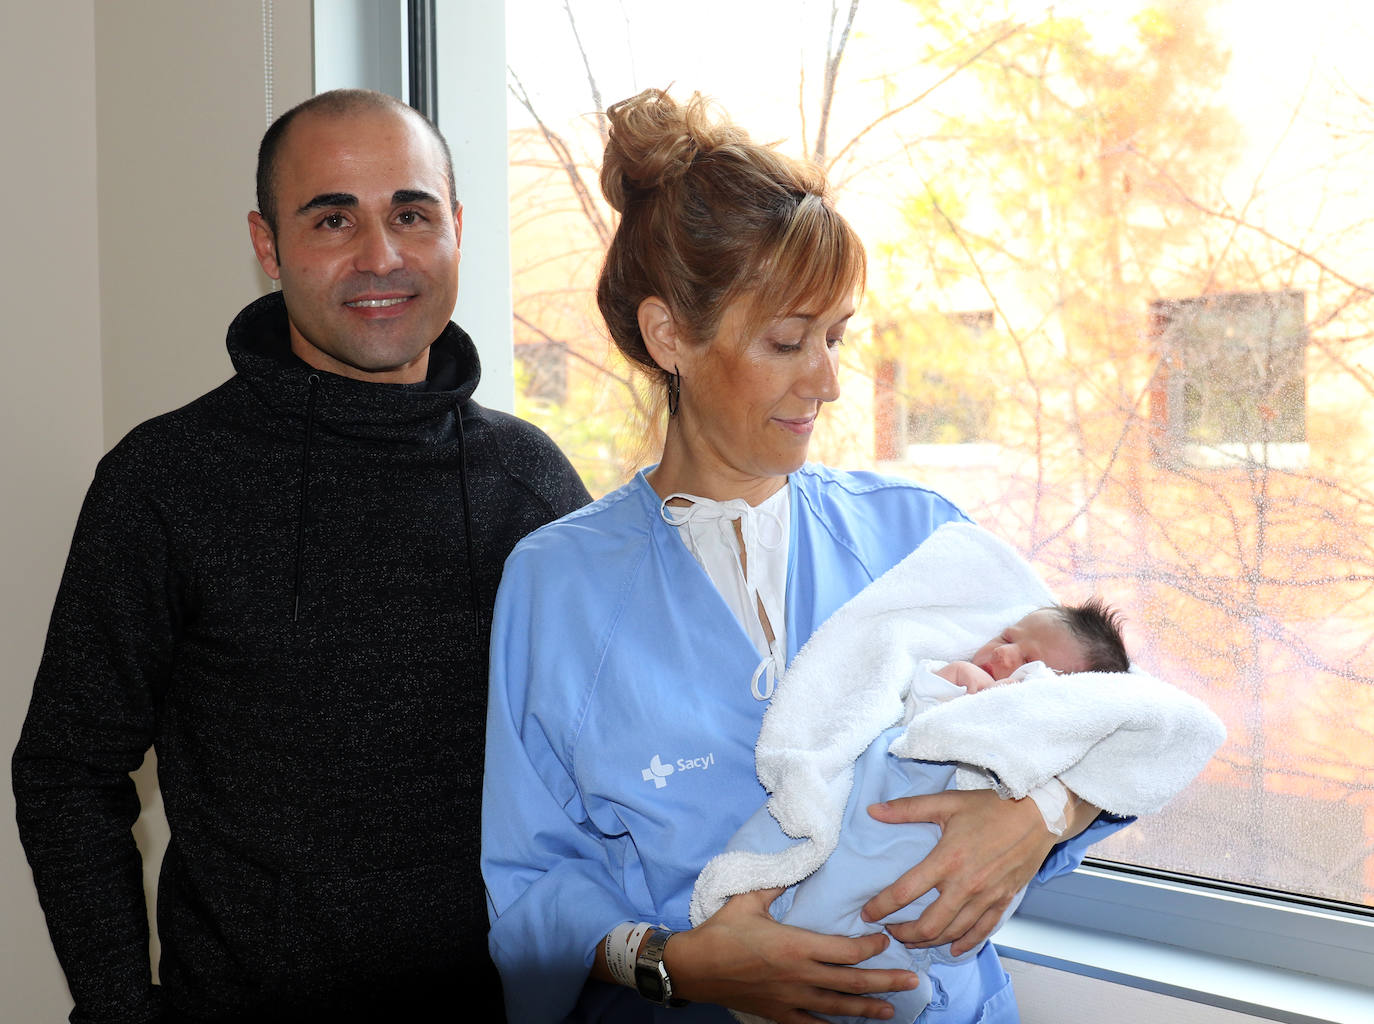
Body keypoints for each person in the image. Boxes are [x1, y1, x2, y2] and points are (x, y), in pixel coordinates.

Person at [480, 87, 1153, 1024]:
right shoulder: (559, 585)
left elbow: (1118, 718)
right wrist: (682, 965)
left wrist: (1042, 818)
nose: (829, 381)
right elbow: (531, 885)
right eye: (788, 341)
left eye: (834, 336)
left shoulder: (921, 539)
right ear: (668, 334)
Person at [12, 88, 590, 1024]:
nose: (382, 256)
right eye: (333, 218)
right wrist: (119, 1009)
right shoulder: (166, 481)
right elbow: (66, 770)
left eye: (412, 213)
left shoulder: (531, 481)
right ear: (268, 245)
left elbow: (612, 752)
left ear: (456, 230)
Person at [932, 596, 1130, 693]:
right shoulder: (953, 674)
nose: (1001, 651)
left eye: (1027, 662)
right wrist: (951, 675)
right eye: (1007, 639)